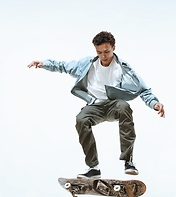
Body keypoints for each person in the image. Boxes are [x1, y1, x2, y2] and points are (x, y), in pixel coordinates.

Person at [27, 31, 165, 179]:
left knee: (124, 106)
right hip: (95, 106)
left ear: (113, 47)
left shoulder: (124, 68)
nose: (103, 56)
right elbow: (64, 66)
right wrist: (44, 64)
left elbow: (143, 89)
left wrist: (154, 103)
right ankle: (93, 168)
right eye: (99, 52)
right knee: (81, 119)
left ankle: (128, 161)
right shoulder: (87, 64)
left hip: (114, 105)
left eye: (107, 51)